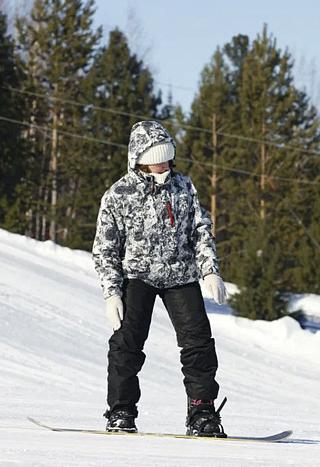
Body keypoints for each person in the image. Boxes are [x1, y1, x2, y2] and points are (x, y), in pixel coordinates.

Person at [92, 120, 228, 437]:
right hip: (136, 276)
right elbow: (105, 249)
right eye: (157, 157)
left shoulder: (183, 188)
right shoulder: (118, 195)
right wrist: (112, 292)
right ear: (139, 157)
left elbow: (201, 231)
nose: (163, 164)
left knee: (198, 343)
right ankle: (121, 411)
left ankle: (202, 412)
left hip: (180, 274)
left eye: (168, 156)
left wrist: (209, 270)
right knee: (127, 344)